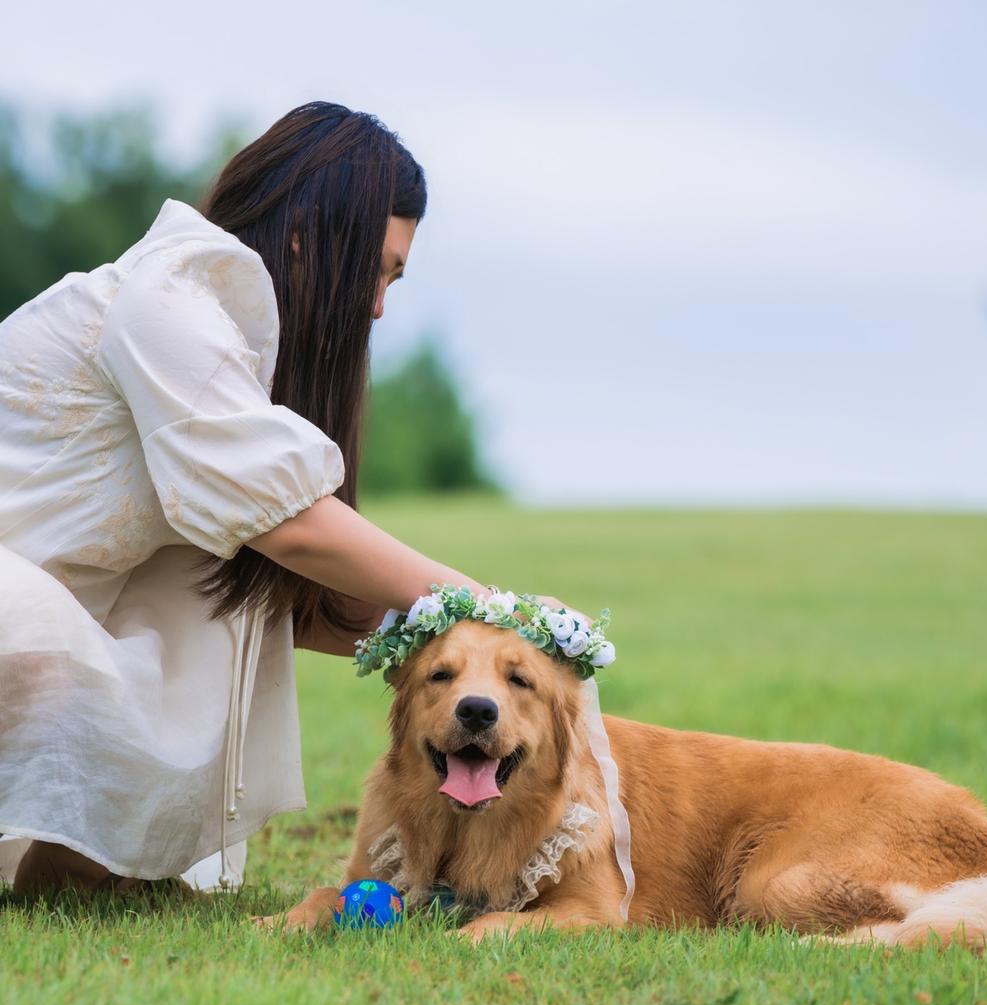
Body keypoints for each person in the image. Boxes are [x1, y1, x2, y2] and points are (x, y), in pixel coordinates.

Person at [0, 101, 574, 895]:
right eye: (378, 270)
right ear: (306, 236)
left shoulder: (236, 350)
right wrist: (497, 606)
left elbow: (295, 596)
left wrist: (490, 659)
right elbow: (298, 529)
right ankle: (79, 863)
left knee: (224, 592)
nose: (377, 307)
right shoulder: (166, 303)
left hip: (55, 613)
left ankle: (86, 869)